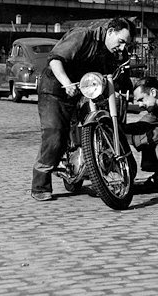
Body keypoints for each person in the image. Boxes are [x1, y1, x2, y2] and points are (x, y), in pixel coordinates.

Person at [29, 17, 133, 201]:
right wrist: (67, 83)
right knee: (55, 133)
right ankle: (40, 184)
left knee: (105, 120)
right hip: (56, 89)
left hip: (84, 90)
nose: (123, 47)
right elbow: (55, 60)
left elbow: (118, 72)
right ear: (110, 32)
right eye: (121, 41)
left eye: (126, 44)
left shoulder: (111, 50)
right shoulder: (82, 36)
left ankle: (114, 165)